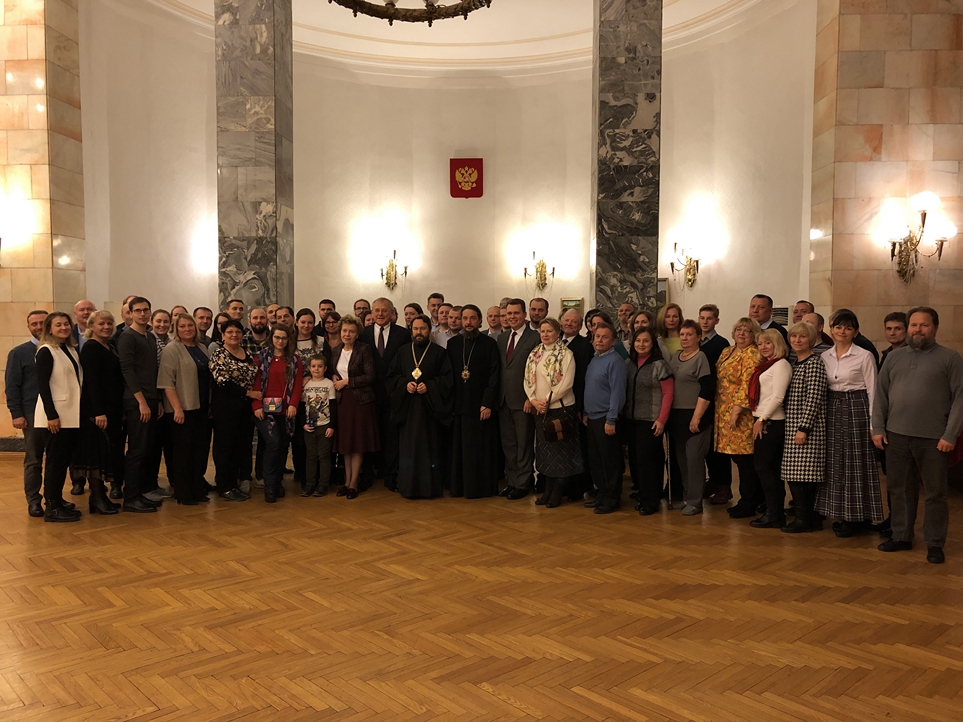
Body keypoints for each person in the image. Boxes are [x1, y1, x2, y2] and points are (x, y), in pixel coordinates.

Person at [873, 307, 963, 564]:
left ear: (935, 327)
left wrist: (951, 434)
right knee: (899, 489)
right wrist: (878, 428)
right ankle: (901, 535)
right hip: (895, 436)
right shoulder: (893, 358)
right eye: (913, 325)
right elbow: (880, 395)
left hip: (934, 439)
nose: (918, 329)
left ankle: (935, 543)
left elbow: (960, 399)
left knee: (935, 494)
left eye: (924, 325)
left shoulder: (950, 359)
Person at [814, 309, 883, 538]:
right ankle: (840, 513)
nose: (842, 331)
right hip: (832, 408)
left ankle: (858, 516)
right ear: (831, 329)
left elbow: (873, 391)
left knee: (856, 463)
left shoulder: (864, 356)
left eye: (848, 328)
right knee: (835, 463)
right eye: (838, 327)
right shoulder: (825, 356)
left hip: (857, 409)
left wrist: (874, 424)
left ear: (855, 331)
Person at [386, 315, 453, 499]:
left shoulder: (439, 352)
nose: (419, 332)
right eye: (415, 329)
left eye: (422, 329)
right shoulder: (402, 351)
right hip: (408, 411)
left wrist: (430, 386)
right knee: (408, 449)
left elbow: (448, 379)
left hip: (429, 411)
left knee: (430, 449)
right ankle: (408, 487)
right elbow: (391, 377)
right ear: (411, 330)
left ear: (429, 330)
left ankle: (430, 488)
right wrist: (404, 384)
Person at [524, 318, 582, 508]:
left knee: (561, 454)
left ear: (558, 333)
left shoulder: (566, 354)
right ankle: (547, 491)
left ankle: (558, 492)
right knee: (545, 454)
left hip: (560, 409)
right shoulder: (535, 353)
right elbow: (527, 379)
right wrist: (533, 400)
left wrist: (547, 401)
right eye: (543, 331)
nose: (546, 334)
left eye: (549, 331)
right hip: (540, 410)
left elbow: (566, 384)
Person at [33, 312, 84, 522]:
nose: (63, 327)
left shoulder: (69, 349)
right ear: (49, 329)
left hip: (70, 414)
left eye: (66, 324)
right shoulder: (46, 351)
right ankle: (52, 507)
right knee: (55, 462)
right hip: (55, 416)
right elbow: (43, 386)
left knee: (63, 461)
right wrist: (51, 415)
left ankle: (57, 500)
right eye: (58, 325)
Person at [158, 314, 212, 506]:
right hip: (182, 409)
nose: (187, 329)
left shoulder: (202, 348)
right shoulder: (171, 350)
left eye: (190, 325)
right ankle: (183, 493)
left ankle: (197, 488)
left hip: (201, 407)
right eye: (182, 326)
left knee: (200, 451)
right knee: (183, 453)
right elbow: (166, 382)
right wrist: (177, 408)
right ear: (176, 329)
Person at [73, 310, 124, 515]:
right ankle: (96, 496)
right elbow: (91, 383)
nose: (106, 327)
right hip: (96, 411)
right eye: (101, 323)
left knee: (106, 452)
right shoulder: (91, 348)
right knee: (96, 454)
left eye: (109, 323)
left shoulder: (109, 346)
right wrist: (99, 412)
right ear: (91, 326)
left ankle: (100, 497)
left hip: (111, 408)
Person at [448, 305, 501, 499]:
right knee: (460, 450)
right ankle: (460, 487)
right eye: (465, 318)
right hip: (459, 405)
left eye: (472, 318)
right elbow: (448, 375)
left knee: (480, 450)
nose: (468, 322)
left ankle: (480, 488)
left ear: (479, 321)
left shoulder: (489, 344)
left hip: (481, 406)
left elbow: (494, 375)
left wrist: (487, 403)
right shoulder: (453, 344)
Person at [117, 297, 164, 513]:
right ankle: (130, 498)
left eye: (146, 310)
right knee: (136, 450)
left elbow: (152, 370)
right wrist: (142, 402)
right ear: (130, 313)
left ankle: (141, 493)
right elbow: (127, 370)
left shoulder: (150, 336)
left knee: (147, 448)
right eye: (138, 311)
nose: (142, 314)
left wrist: (157, 400)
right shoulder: (128, 337)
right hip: (136, 400)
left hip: (151, 398)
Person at [360, 298, 412, 491]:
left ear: (392, 313)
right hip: (368, 393)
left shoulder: (403, 334)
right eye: (376, 310)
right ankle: (367, 475)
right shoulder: (363, 333)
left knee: (391, 436)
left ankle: (391, 476)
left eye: (384, 311)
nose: (380, 314)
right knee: (368, 435)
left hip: (394, 393)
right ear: (372, 313)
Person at [781, 321, 828, 533]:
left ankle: (804, 519)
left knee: (801, 476)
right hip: (792, 426)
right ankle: (808, 517)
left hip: (807, 429)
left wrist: (804, 428)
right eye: (794, 336)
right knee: (796, 475)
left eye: (802, 336)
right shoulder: (795, 363)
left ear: (811, 339)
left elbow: (814, 398)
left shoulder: (814, 363)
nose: (797, 340)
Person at [714, 317, 764, 519]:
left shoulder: (752, 353)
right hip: (722, 410)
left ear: (754, 335)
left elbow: (748, 383)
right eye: (739, 329)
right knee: (735, 457)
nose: (742, 333)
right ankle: (755, 498)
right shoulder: (727, 351)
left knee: (745, 460)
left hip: (741, 413)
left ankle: (749, 501)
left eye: (747, 331)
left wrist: (737, 409)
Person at [623, 327, 673, 516]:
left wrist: (661, 420)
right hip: (631, 419)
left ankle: (651, 501)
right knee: (637, 461)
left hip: (651, 420)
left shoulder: (660, 364)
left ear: (653, 344)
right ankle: (644, 495)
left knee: (649, 462)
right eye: (638, 341)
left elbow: (668, 394)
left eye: (645, 341)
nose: (641, 344)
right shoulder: (629, 363)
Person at [667, 320, 714, 515]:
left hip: (696, 415)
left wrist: (697, 417)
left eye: (689, 334)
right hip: (676, 416)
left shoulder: (701, 357)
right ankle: (687, 497)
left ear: (698, 337)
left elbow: (707, 389)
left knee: (694, 460)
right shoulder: (676, 357)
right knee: (682, 461)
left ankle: (696, 501)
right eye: (682, 334)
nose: (685, 338)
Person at [252, 324, 303, 503]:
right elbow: (255, 382)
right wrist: (256, 405)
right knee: (273, 443)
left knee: (283, 445)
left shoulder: (295, 360)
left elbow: (297, 385)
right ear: (271, 338)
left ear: (289, 339)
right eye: (277, 337)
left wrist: (293, 404)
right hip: (264, 409)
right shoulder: (260, 357)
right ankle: (269, 485)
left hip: (285, 409)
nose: (280, 341)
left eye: (284, 338)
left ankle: (278, 482)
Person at [5, 309, 49, 518]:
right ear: (29, 327)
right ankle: (33, 500)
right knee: (33, 459)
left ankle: (54, 497)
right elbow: (12, 385)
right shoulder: (19, 353)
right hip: (32, 413)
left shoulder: (61, 349)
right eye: (34, 324)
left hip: (58, 412)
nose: (39, 327)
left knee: (57, 458)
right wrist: (16, 413)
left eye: (43, 323)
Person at [209, 319, 258, 502]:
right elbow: (223, 381)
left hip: (244, 409)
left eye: (237, 332)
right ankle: (225, 486)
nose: (234, 335)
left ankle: (234, 483)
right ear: (222, 335)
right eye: (229, 332)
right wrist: (248, 393)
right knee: (225, 447)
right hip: (225, 408)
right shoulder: (219, 354)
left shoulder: (247, 353)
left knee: (240, 446)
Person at [497, 298, 541, 499]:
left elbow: (537, 371)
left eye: (516, 313)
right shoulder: (502, 338)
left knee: (524, 444)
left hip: (523, 400)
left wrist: (530, 397)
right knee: (509, 444)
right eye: (509, 313)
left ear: (524, 314)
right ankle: (512, 481)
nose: (512, 317)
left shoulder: (535, 338)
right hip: (503, 400)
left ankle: (523, 483)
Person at [748, 329, 792, 528]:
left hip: (771, 421)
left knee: (764, 468)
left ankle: (774, 513)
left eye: (768, 343)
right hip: (763, 418)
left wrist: (762, 419)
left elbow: (778, 397)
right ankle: (774, 512)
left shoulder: (781, 364)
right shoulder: (767, 365)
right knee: (769, 469)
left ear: (777, 343)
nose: (763, 347)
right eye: (760, 343)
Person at [332, 315, 379, 499]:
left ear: (357, 333)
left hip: (360, 402)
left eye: (351, 331)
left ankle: (353, 483)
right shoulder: (336, 350)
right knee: (346, 443)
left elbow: (370, 376)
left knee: (357, 442)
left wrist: (347, 381)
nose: (347, 334)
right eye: (344, 330)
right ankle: (346, 481)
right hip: (342, 401)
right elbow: (334, 370)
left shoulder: (364, 349)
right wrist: (335, 377)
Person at [582, 322, 627, 514]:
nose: (599, 340)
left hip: (606, 418)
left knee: (609, 461)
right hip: (592, 418)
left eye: (604, 337)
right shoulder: (595, 359)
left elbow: (618, 393)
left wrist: (611, 419)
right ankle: (601, 493)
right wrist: (586, 412)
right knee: (596, 460)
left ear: (613, 340)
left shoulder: (615, 362)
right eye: (597, 336)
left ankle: (612, 498)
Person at [292, 308, 332, 489]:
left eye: (310, 322)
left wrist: (311, 377)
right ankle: (303, 477)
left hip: (317, 395)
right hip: (297, 395)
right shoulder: (290, 341)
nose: (306, 325)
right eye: (303, 322)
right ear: (297, 322)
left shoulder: (321, 341)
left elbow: (327, 365)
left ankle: (320, 480)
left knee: (318, 442)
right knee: (300, 440)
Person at [698, 303, 732, 504]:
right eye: (702, 318)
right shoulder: (696, 341)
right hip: (699, 398)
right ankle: (712, 480)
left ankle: (724, 486)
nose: (705, 322)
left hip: (715, 399)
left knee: (718, 446)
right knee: (706, 446)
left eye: (709, 318)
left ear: (716, 321)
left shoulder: (721, 343)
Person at [300, 354, 337, 497]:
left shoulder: (329, 384)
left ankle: (323, 485)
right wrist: (303, 424)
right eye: (313, 366)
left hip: (324, 425)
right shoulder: (306, 385)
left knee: (324, 456)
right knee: (311, 456)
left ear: (325, 368)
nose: (316, 369)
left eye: (320, 366)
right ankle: (310, 484)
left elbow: (333, 406)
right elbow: (302, 406)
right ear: (309, 368)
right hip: (309, 426)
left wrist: (331, 426)